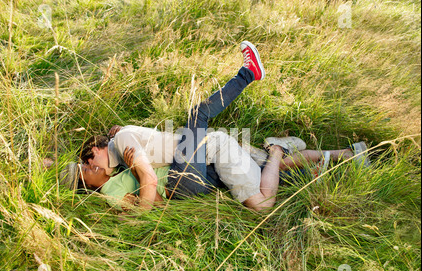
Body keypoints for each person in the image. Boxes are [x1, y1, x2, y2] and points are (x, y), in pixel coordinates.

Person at [62, 41, 368, 211]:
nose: (89, 165)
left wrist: (143, 205)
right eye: (86, 165)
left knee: (198, 117)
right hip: (202, 158)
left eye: (89, 158)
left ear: (102, 146)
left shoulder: (124, 142)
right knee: (278, 168)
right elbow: (149, 193)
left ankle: (248, 75)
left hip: (197, 151)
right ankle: (345, 155)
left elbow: (151, 180)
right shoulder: (120, 167)